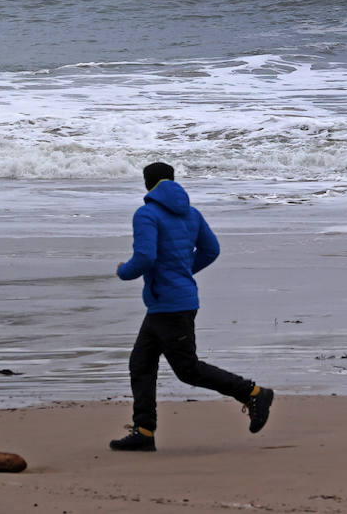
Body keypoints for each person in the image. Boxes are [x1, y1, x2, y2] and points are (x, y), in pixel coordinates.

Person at [110, 161, 273, 451]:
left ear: (147, 185)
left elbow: (144, 258)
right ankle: (144, 432)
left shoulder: (146, 214)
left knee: (188, 370)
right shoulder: (192, 213)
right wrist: (183, 271)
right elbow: (211, 250)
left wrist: (123, 271)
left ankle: (254, 392)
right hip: (170, 303)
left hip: (170, 305)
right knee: (141, 363)